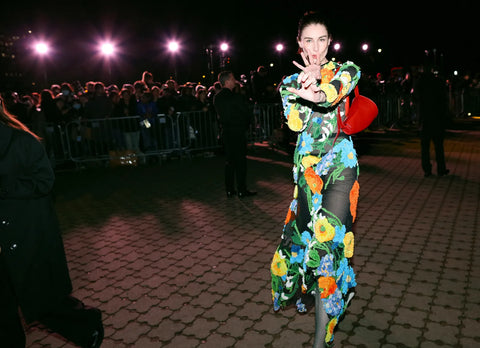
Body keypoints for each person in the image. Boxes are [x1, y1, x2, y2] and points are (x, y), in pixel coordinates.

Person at [270, 11, 361, 347]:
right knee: (307, 237)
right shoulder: (288, 84)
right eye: (308, 40)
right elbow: (295, 125)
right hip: (308, 173)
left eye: (322, 39)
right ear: (298, 44)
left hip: (340, 166)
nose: (316, 47)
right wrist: (302, 93)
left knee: (327, 244)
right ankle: (340, 287)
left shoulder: (346, 70)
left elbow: (334, 92)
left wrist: (319, 92)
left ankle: (320, 342)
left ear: (329, 41)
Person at [0, 95, 103, 348]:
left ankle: (86, 325)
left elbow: (45, 180)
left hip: (24, 234)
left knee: (42, 302)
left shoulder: (20, 141)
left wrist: (5, 185)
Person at [213, 71, 256, 198]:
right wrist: (246, 124)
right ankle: (242, 189)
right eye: (232, 79)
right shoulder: (236, 97)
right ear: (227, 82)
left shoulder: (217, 97)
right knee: (241, 161)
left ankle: (229, 189)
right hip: (237, 131)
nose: (235, 81)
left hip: (226, 132)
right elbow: (246, 113)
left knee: (230, 161)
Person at [414, 64, 450, 177]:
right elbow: (444, 99)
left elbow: (416, 98)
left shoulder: (420, 82)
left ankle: (427, 170)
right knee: (439, 146)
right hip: (437, 118)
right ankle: (441, 168)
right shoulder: (438, 81)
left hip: (425, 118)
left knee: (425, 147)